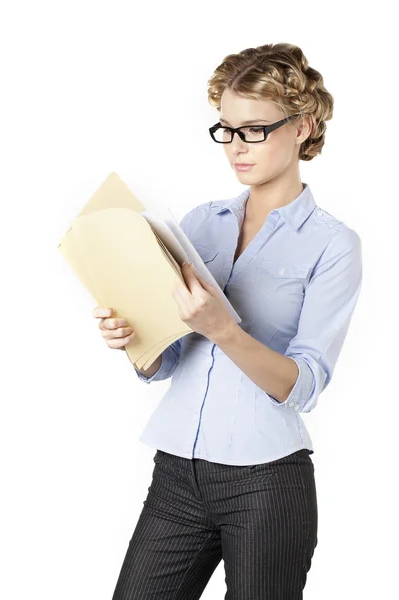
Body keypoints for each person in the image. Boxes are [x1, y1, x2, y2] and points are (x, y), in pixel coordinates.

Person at [94, 42, 363, 600]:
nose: (237, 148)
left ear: (303, 126)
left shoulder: (333, 245)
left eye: (255, 129)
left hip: (265, 482)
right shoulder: (200, 223)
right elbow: (167, 361)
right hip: (176, 474)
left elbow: (303, 385)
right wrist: (133, 339)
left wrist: (224, 329)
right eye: (227, 129)